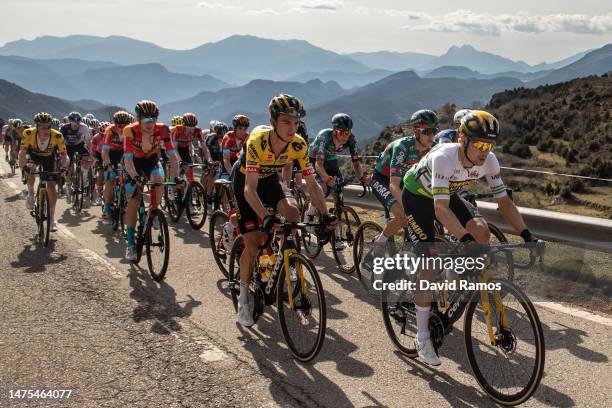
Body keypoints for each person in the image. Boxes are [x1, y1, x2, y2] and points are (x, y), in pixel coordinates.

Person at [402, 110, 540, 366]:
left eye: (489, 145)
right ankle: (421, 338)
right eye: (479, 144)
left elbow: (505, 203)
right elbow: (439, 210)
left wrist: (527, 234)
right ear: (463, 139)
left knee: (482, 230)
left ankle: (462, 278)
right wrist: (465, 241)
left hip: (447, 193)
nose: (485, 151)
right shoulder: (445, 157)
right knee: (430, 264)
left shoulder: (489, 161)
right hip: (417, 196)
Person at [232, 93, 334, 327]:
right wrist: (266, 218)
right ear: (273, 121)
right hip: (245, 181)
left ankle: (286, 258)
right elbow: (249, 189)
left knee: (292, 213)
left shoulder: (298, 144)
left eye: (296, 122)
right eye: (286, 121)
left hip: (269, 181)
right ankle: (244, 297)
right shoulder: (257, 141)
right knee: (253, 243)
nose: (292, 128)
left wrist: (325, 214)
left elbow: (312, 184)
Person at [369, 109, 438, 257]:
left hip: (406, 181)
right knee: (403, 216)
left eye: (434, 131)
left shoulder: (434, 149)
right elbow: (393, 185)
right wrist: (409, 207)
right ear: (416, 131)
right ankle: (380, 242)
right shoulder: (403, 147)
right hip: (383, 179)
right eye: (427, 131)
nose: (431, 136)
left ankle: (408, 252)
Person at [122, 100, 179, 261]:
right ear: (139, 119)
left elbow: (172, 155)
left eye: (153, 119)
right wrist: (134, 177)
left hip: (152, 161)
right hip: (133, 163)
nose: (150, 124)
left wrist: (177, 177)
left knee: (159, 182)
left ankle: (152, 213)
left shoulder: (163, 129)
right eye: (146, 120)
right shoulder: (130, 130)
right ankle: (131, 245)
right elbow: (127, 160)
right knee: (134, 200)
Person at [18, 112, 68, 232]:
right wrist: (23, 166)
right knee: (30, 169)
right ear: (37, 126)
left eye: (48, 126)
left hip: (48, 158)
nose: (46, 129)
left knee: (51, 186)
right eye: (42, 126)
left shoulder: (57, 136)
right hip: (34, 155)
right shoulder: (28, 133)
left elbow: (64, 155)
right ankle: (30, 194)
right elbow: (22, 153)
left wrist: (63, 168)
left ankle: (51, 218)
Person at [101, 111, 133, 225]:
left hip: (123, 153)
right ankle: (107, 210)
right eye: (119, 125)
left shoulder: (130, 130)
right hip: (111, 154)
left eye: (125, 125)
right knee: (110, 180)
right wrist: (108, 165)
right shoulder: (109, 131)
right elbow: (104, 151)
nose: (122, 128)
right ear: (115, 124)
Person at [60, 111, 91, 204]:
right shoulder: (64, 128)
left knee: (86, 157)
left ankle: (84, 177)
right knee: (68, 166)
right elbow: (60, 141)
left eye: (78, 123)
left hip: (79, 145)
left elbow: (88, 141)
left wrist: (90, 152)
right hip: (68, 146)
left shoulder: (84, 127)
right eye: (74, 123)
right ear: (70, 122)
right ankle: (69, 187)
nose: (76, 125)